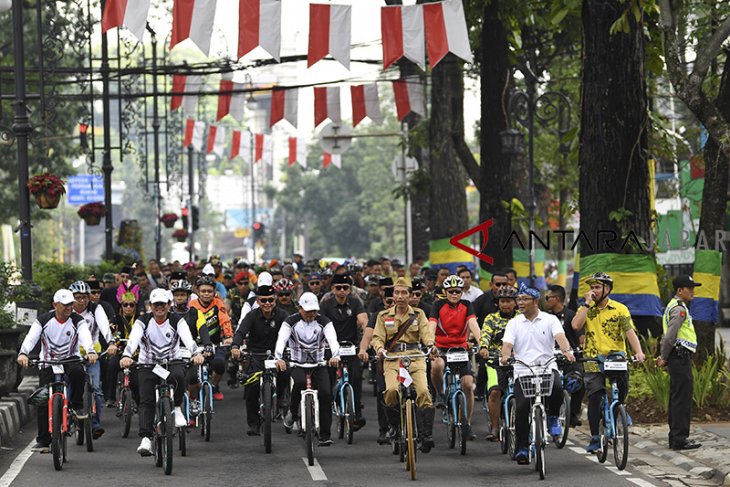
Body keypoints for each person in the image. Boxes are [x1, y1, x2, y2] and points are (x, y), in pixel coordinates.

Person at [120, 289, 204, 456]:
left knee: (179, 375)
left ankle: (178, 408)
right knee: (146, 400)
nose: (159, 308)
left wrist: (195, 353)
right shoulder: (142, 321)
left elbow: (188, 338)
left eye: (163, 304)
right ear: (151, 306)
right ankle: (146, 438)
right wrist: (127, 355)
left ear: (169, 305)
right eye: (156, 305)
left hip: (171, 361)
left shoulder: (177, 320)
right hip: (148, 364)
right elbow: (133, 340)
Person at [500, 284, 575, 464]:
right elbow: (508, 344)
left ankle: (553, 417)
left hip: (547, 367)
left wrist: (567, 351)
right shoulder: (514, 323)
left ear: (535, 301)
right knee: (522, 407)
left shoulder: (550, 320)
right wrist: (504, 356)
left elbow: (560, 337)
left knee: (557, 388)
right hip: (523, 370)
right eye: (519, 299)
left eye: (525, 299)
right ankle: (522, 448)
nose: (520, 302)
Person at [572, 272, 645, 454]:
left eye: (597, 287)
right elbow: (575, 325)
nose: (594, 291)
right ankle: (595, 436)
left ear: (608, 289)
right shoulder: (586, 309)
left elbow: (630, 332)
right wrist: (586, 304)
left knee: (622, 389)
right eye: (592, 287)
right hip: (592, 358)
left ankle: (618, 411)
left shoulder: (620, 309)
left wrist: (639, 352)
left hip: (616, 358)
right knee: (595, 396)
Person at [18, 289, 99, 452]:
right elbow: (31, 337)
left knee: (78, 373)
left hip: (71, 359)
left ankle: (76, 405)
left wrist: (90, 351)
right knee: (42, 397)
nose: (69, 308)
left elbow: (85, 336)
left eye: (71, 304)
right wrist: (23, 353)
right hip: (48, 362)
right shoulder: (43, 320)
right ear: (55, 305)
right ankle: (43, 439)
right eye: (65, 305)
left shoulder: (78, 320)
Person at [372, 278, 437, 453]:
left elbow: (426, 333)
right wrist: (379, 348)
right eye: (397, 293)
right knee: (392, 391)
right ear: (393, 295)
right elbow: (377, 337)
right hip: (393, 358)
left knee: (423, 391)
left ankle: (425, 434)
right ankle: (394, 427)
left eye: (404, 293)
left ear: (410, 295)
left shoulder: (419, 314)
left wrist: (430, 346)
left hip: (415, 357)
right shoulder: (383, 316)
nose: (400, 296)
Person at [275, 292, 340, 446]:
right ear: (299, 308)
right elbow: (281, 340)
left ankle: (325, 435)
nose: (312, 314)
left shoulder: (324, 322)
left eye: (314, 310)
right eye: (308, 310)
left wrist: (335, 355)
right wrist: (279, 358)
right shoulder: (290, 322)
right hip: (297, 363)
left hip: (319, 364)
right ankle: (293, 411)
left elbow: (332, 339)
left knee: (325, 393)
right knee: (299, 382)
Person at [231, 283, 291, 436]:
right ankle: (253, 424)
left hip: (277, 355)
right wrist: (235, 347)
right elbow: (240, 332)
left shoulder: (283, 315)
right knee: (251, 389)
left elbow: (292, 333)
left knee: (285, 374)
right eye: (263, 300)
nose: (267, 304)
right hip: (256, 356)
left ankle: (282, 396)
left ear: (275, 299)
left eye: (270, 300)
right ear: (257, 301)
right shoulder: (251, 316)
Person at [429, 275, 482, 440]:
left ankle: (467, 423)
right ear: (445, 292)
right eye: (451, 291)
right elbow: (431, 325)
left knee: (467, 385)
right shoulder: (438, 305)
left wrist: (483, 343)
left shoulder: (467, 305)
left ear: (461, 292)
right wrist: (431, 344)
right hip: (441, 347)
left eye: (457, 292)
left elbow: (473, 324)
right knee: (437, 366)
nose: (454, 294)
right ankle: (440, 393)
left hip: (461, 348)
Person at [657, 275, 702, 451]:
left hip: (678, 357)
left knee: (678, 397)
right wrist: (664, 356)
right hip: (679, 356)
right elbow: (670, 336)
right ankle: (679, 439)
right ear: (679, 290)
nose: (692, 291)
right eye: (689, 288)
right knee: (681, 399)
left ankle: (676, 437)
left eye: (693, 288)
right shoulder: (678, 309)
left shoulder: (676, 307)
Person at [319, 274, 369, 429]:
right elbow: (320, 325)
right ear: (333, 289)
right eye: (338, 287)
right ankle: (326, 411)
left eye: (345, 288)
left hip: (351, 345)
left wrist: (367, 335)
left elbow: (364, 321)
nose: (341, 291)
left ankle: (356, 412)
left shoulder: (355, 303)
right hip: (330, 347)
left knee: (356, 376)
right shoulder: (326, 305)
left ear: (350, 289)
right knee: (327, 381)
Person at [69, 280, 116, 439]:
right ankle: (69, 414)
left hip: (92, 356)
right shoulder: (66, 310)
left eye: (84, 297)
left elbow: (104, 326)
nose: (81, 301)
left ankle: (95, 423)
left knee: (95, 388)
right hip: (71, 356)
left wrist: (111, 342)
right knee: (69, 383)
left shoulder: (96, 309)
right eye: (77, 297)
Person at [479, 285, 519, 440]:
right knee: (495, 392)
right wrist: (484, 348)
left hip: (519, 362)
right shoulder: (491, 318)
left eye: (509, 301)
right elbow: (486, 335)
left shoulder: (521, 319)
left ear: (515, 303)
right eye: (502, 301)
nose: (505, 304)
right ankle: (495, 428)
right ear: (498, 303)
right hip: (495, 362)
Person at [544, 284, 584, 427]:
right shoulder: (544, 317)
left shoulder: (571, 315)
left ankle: (573, 413)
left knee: (580, 377)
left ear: (558, 298)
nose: (546, 300)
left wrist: (581, 348)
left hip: (569, 356)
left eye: (548, 298)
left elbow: (580, 336)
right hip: (548, 357)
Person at [190, 275, 233, 400]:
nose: (206, 294)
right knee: (191, 375)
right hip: (195, 345)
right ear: (197, 292)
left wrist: (228, 335)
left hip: (215, 343)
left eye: (209, 291)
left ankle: (214, 386)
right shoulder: (191, 305)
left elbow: (225, 320)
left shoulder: (218, 303)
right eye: (203, 291)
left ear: (214, 292)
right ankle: (193, 402)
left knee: (220, 364)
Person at [472, 270, 511, 401]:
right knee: (485, 364)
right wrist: (482, 346)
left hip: (515, 353)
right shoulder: (483, 301)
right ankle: (480, 390)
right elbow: (470, 318)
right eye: (498, 284)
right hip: (490, 346)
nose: (501, 287)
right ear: (491, 284)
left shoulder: (519, 316)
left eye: (504, 284)